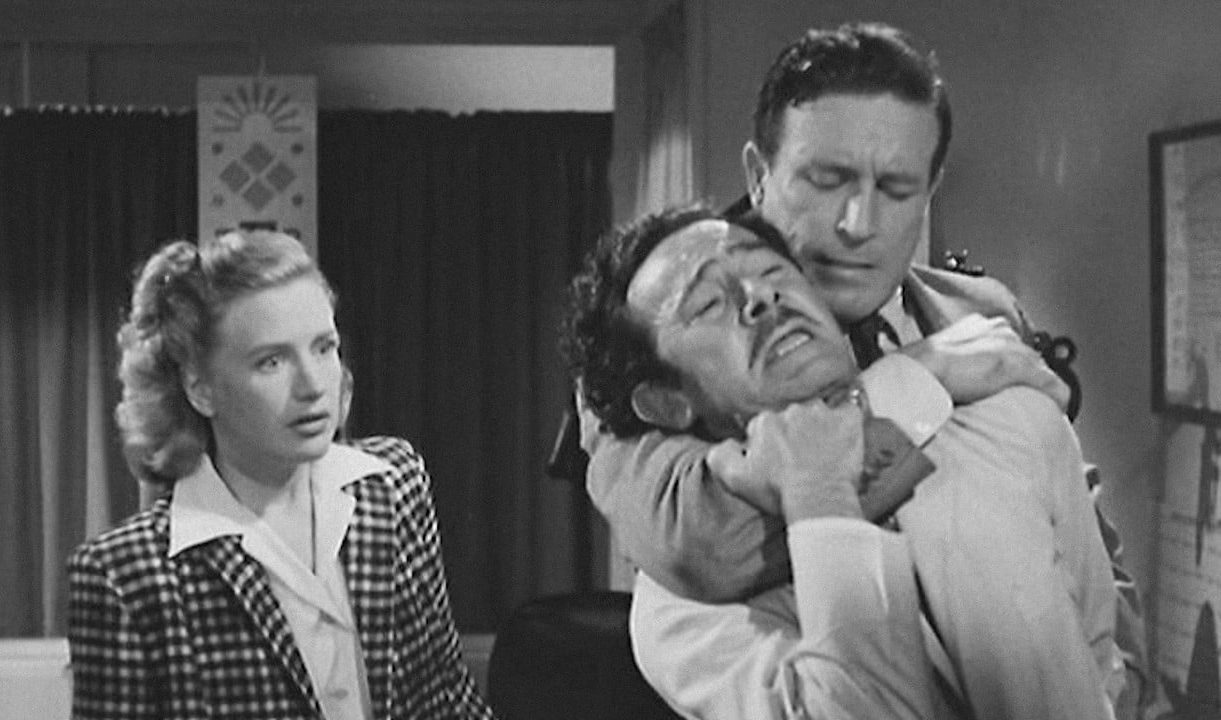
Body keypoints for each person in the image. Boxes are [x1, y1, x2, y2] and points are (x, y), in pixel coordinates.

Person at [578, 20, 1146, 717]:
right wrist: (916, 381)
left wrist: (1128, 684)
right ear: (758, 176)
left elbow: (1082, 535)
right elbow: (693, 538)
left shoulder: (978, 313)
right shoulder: (652, 350)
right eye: (827, 180)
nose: (858, 223)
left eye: (898, 188)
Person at [564, 205, 1119, 718]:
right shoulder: (677, 616)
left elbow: (1102, 662)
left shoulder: (1009, 418)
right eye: (707, 304)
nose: (760, 296)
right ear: (667, 402)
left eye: (773, 272)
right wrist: (819, 494)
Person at [67, 230, 494, 720]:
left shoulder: (394, 487)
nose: (313, 385)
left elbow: (450, 701)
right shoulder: (126, 578)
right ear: (201, 389)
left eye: (323, 348)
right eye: (271, 361)